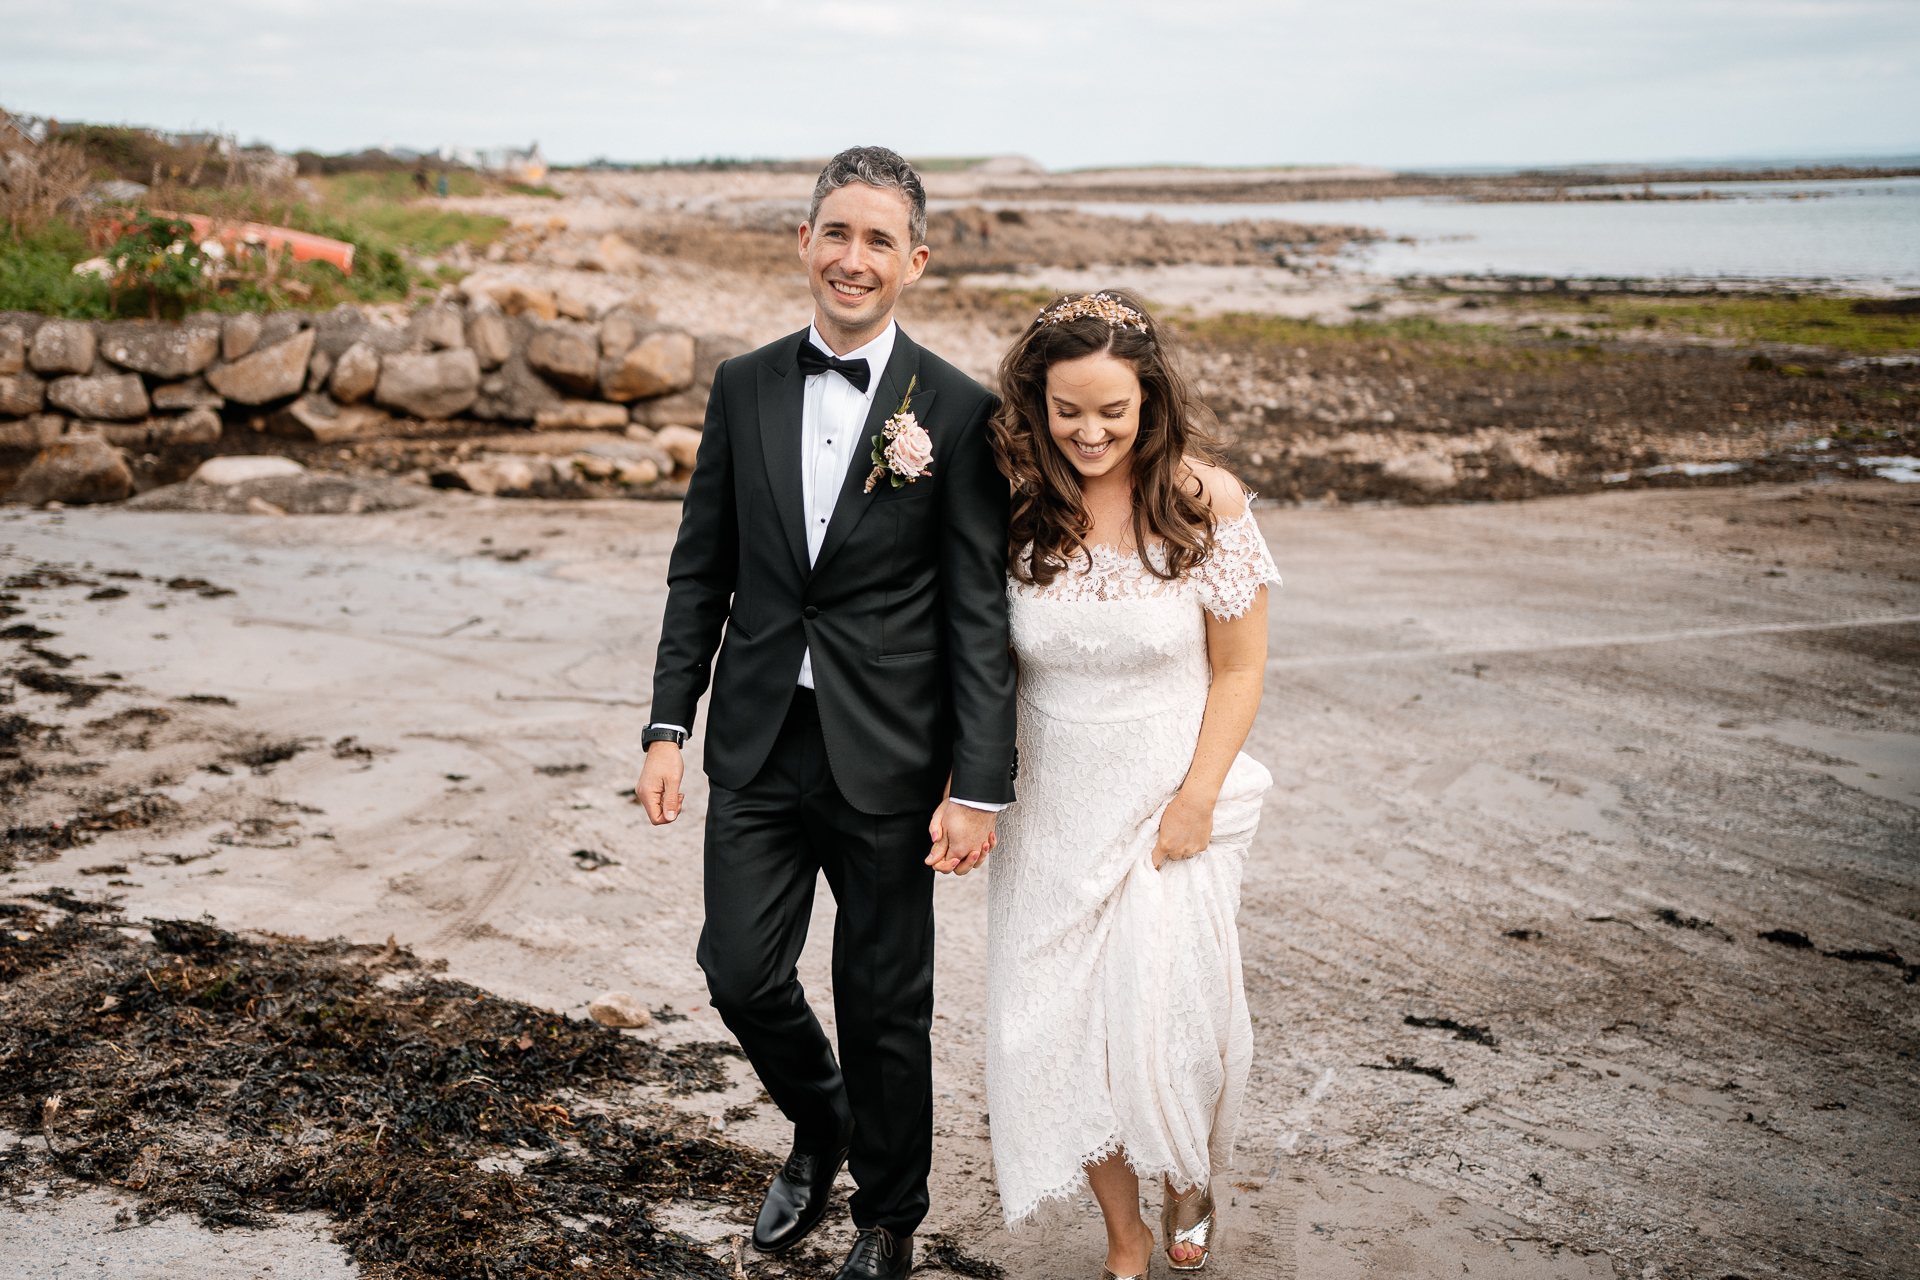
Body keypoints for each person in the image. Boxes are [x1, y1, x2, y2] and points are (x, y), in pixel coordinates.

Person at [636, 146, 1016, 1280]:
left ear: (916, 261)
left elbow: (977, 613)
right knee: (740, 972)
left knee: (883, 995)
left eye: (879, 240)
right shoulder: (742, 383)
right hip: (757, 734)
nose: (854, 258)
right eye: (836, 233)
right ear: (805, 241)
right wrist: (668, 724)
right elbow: (700, 568)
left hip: (892, 752)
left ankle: (890, 1213)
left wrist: (980, 781)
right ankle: (823, 1119)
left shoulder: (956, 409)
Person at [984, 291, 1277, 1278]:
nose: (1092, 430)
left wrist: (1195, 800)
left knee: (1165, 1026)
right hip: (1052, 817)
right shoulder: (1017, 506)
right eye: (1070, 409)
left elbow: (1239, 669)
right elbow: (978, 665)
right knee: (1061, 1034)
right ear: (1039, 402)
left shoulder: (1207, 504)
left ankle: (1186, 1174)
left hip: (1167, 810)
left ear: (1150, 400)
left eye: (1115, 409)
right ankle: (1125, 1239)